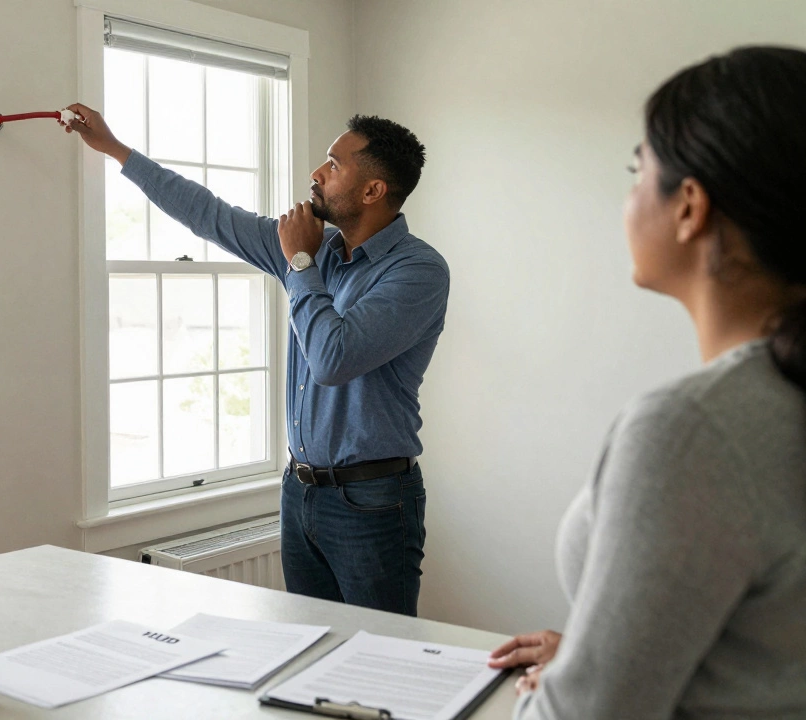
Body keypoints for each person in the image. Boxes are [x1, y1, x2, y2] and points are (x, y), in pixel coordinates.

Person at [488, 46, 806, 718]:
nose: (629, 197)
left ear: (690, 206)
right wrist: (598, 654)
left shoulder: (691, 431)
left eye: (639, 171)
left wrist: (557, 692)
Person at [66, 103, 449, 615]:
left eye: (334, 165)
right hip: (299, 492)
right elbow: (210, 214)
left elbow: (332, 359)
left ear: (373, 190)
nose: (317, 173)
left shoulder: (417, 270)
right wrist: (114, 149)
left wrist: (299, 262)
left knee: (383, 661)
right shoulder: (318, 249)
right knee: (312, 650)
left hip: (374, 501)